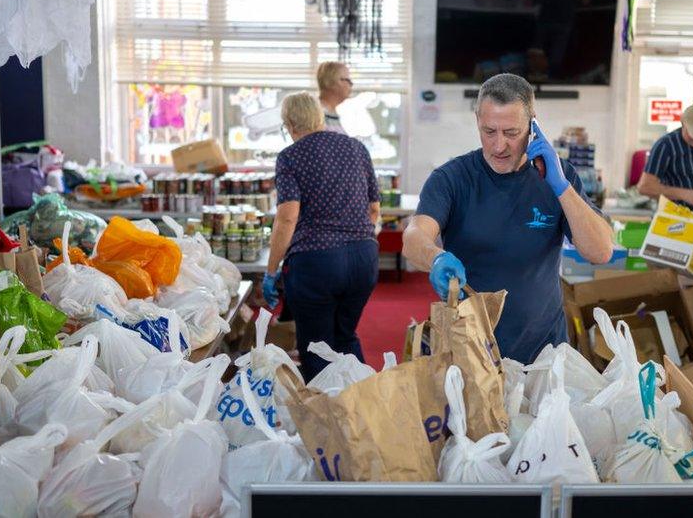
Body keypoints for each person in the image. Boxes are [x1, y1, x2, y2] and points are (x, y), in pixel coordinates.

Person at [402, 73, 613, 364]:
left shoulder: (558, 176)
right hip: (470, 351)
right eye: (489, 131)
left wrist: (562, 188)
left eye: (511, 133)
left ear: (532, 125)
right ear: (477, 120)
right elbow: (414, 237)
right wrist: (435, 257)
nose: (499, 145)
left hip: (543, 351)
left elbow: (600, 251)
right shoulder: (451, 178)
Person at [263, 91, 381, 382]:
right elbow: (374, 208)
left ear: (290, 124)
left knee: (316, 346)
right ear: (318, 117)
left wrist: (270, 269)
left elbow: (288, 217)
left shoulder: (290, 157)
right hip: (364, 259)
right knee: (346, 337)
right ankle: (364, 409)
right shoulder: (356, 148)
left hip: (317, 262)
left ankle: (325, 420)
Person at [317, 61, 353, 134]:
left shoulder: (331, 113)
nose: (351, 84)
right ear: (330, 81)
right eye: (348, 80)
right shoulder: (317, 115)